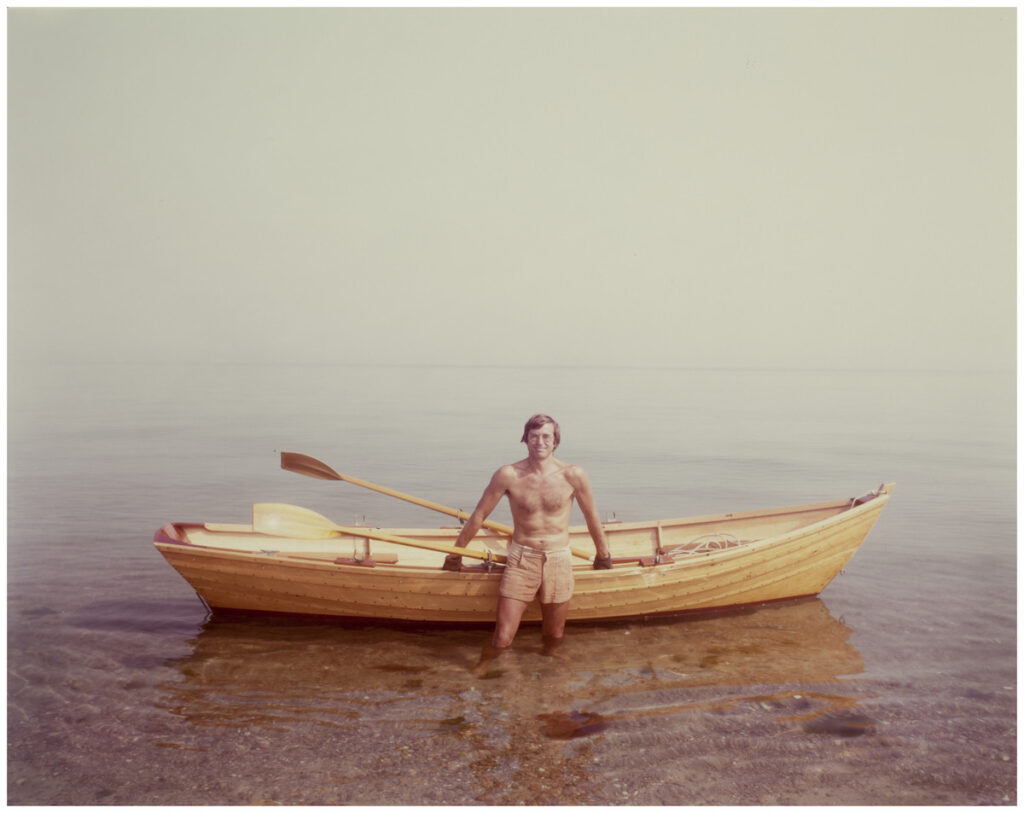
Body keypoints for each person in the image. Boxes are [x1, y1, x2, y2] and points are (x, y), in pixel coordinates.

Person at [442, 414, 613, 675]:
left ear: (555, 441)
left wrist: (603, 555)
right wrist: (456, 553)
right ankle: (485, 664)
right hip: (523, 558)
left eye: (546, 436)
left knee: (554, 635)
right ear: (526, 439)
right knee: (502, 637)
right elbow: (479, 515)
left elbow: (592, 517)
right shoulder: (508, 474)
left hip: (559, 559)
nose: (540, 441)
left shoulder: (573, 475)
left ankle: (550, 657)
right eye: (534, 436)